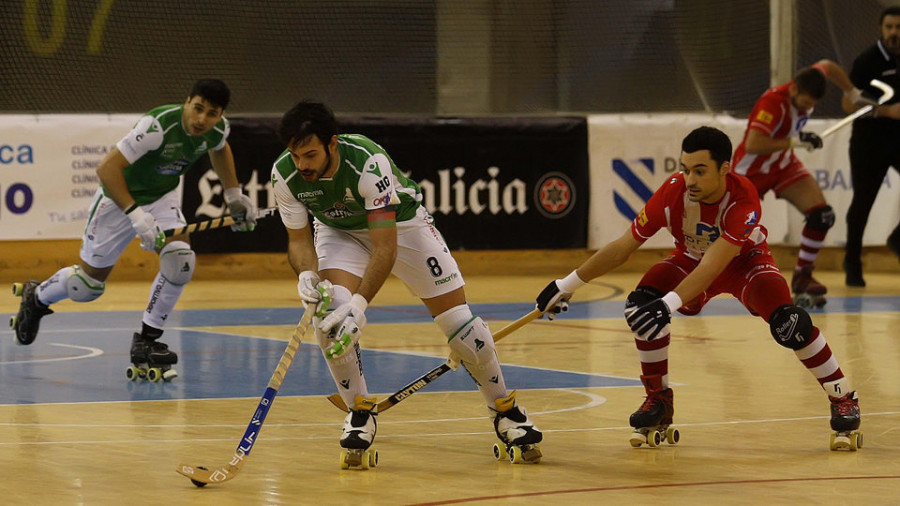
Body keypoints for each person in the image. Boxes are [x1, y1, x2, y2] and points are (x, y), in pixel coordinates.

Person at [534, 126, 861, 451]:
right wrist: (566, 284)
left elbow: (714, 267)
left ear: (725, 169)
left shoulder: (744, 199)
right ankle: (658, 399)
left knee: (789, 324)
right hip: (691, 259)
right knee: (640, 307)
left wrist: (668, 305)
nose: (689, 179)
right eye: (685, 169)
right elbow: (623, 247)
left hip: (743, 263)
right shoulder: (672, 192)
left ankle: (843, 396)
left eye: (700, 171)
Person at [271, 100, 542, 466]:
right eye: (295, 154)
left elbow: (385, 247)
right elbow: (299, 242)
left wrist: (361, 305)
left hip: (403, 226)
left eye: (310, 154)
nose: (302, 164)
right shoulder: (284, 174)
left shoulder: (367, 162)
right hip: (339, 233)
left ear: (332, 144)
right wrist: (306, 273)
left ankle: (505, 410)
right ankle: (360, 413)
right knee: (331, 317)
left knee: (462, 327)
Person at [10, 79, 257, 382]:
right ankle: (37, 297)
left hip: (160, 197)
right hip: (118, 199)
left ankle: (147, 339)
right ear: (187, 101)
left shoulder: (217, 130)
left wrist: (233, 194)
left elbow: (219, 149)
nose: (201, 120)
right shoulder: (157, 126)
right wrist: (135, 215)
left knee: (180, 261)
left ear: (220, 115)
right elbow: (106, 170)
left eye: (211, 113)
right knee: (87, 287)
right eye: (198, 109)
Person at [731, 60, 874, 307]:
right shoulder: (773, 104)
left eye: (813, 105)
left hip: (782, 165)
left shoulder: (809, 79)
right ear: (794, 89)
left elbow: (828, 66)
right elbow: (754, 144)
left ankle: (802, 277)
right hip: (751, 172)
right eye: (807, 103)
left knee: (822, 216)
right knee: (728, 228)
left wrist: (851, 91)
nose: (810, 108)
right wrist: (794, 142)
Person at [842, 6, 900, 287]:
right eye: (889, 27)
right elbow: (847, 103)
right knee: (863, 203)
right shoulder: (867, 60)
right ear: (881, 28)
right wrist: (886, 111)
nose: (894, 33)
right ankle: (852, 263)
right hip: (870, 142)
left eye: (899, 27)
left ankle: (897, 239)